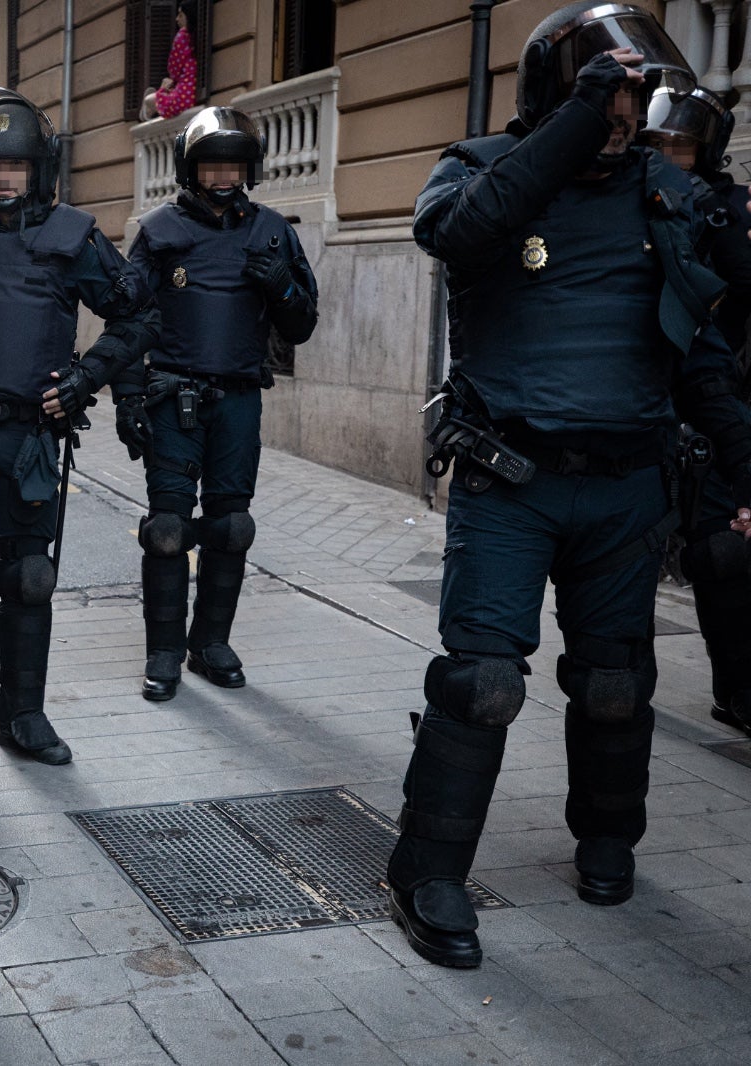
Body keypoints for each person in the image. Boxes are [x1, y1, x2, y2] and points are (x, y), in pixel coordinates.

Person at [386, 4, 751, 971]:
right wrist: (574, 126)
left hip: (628, 485)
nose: (630, 121)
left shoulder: (663, 197)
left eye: (636, 104)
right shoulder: (477, 167)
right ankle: (425, 872)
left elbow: (702, 349)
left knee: (616, 683)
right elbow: (458, 236)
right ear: (566, 95)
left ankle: (606, 841)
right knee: (482, 682)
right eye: (615, 100)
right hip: (513, 481)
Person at [0, 87, 159, 764]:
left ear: (37, 168)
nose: (4, 177)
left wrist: (87, 376)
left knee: (31, 576)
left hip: (30, 433)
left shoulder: (71, 236)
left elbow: (139, 314)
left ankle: (23, 715)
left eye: (16, 165)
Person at [118, 106, 318, 702]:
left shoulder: (275, 232)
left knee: (231, 527)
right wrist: (128, 400)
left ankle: (211, 643)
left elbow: (303, 324)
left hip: (237, 399)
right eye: (211, 164)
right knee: (169, 529)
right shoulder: (158, 230)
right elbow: (127, 321)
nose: (223, 175)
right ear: (190, 168)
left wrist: (280, 281)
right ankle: (163, 651)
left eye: (233, 164)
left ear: (249, 169)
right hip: (172, 396)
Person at [639, 85, 751, 734]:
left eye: (682, 144)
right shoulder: (645, 202)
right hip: (680, 397)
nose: (671, 155)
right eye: (662, 143)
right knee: (715, 550)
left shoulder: (723, 209)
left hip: (724, 387)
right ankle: (735, 686)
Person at [155, 3, 198, 120]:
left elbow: (173, 69)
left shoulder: (182, 36)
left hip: (184, 95)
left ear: (188, 16)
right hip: (195, 94)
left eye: (180, 15)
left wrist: (164, 87)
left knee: (150, 100)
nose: (177, 19)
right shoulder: (198, 36)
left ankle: (146, 115)